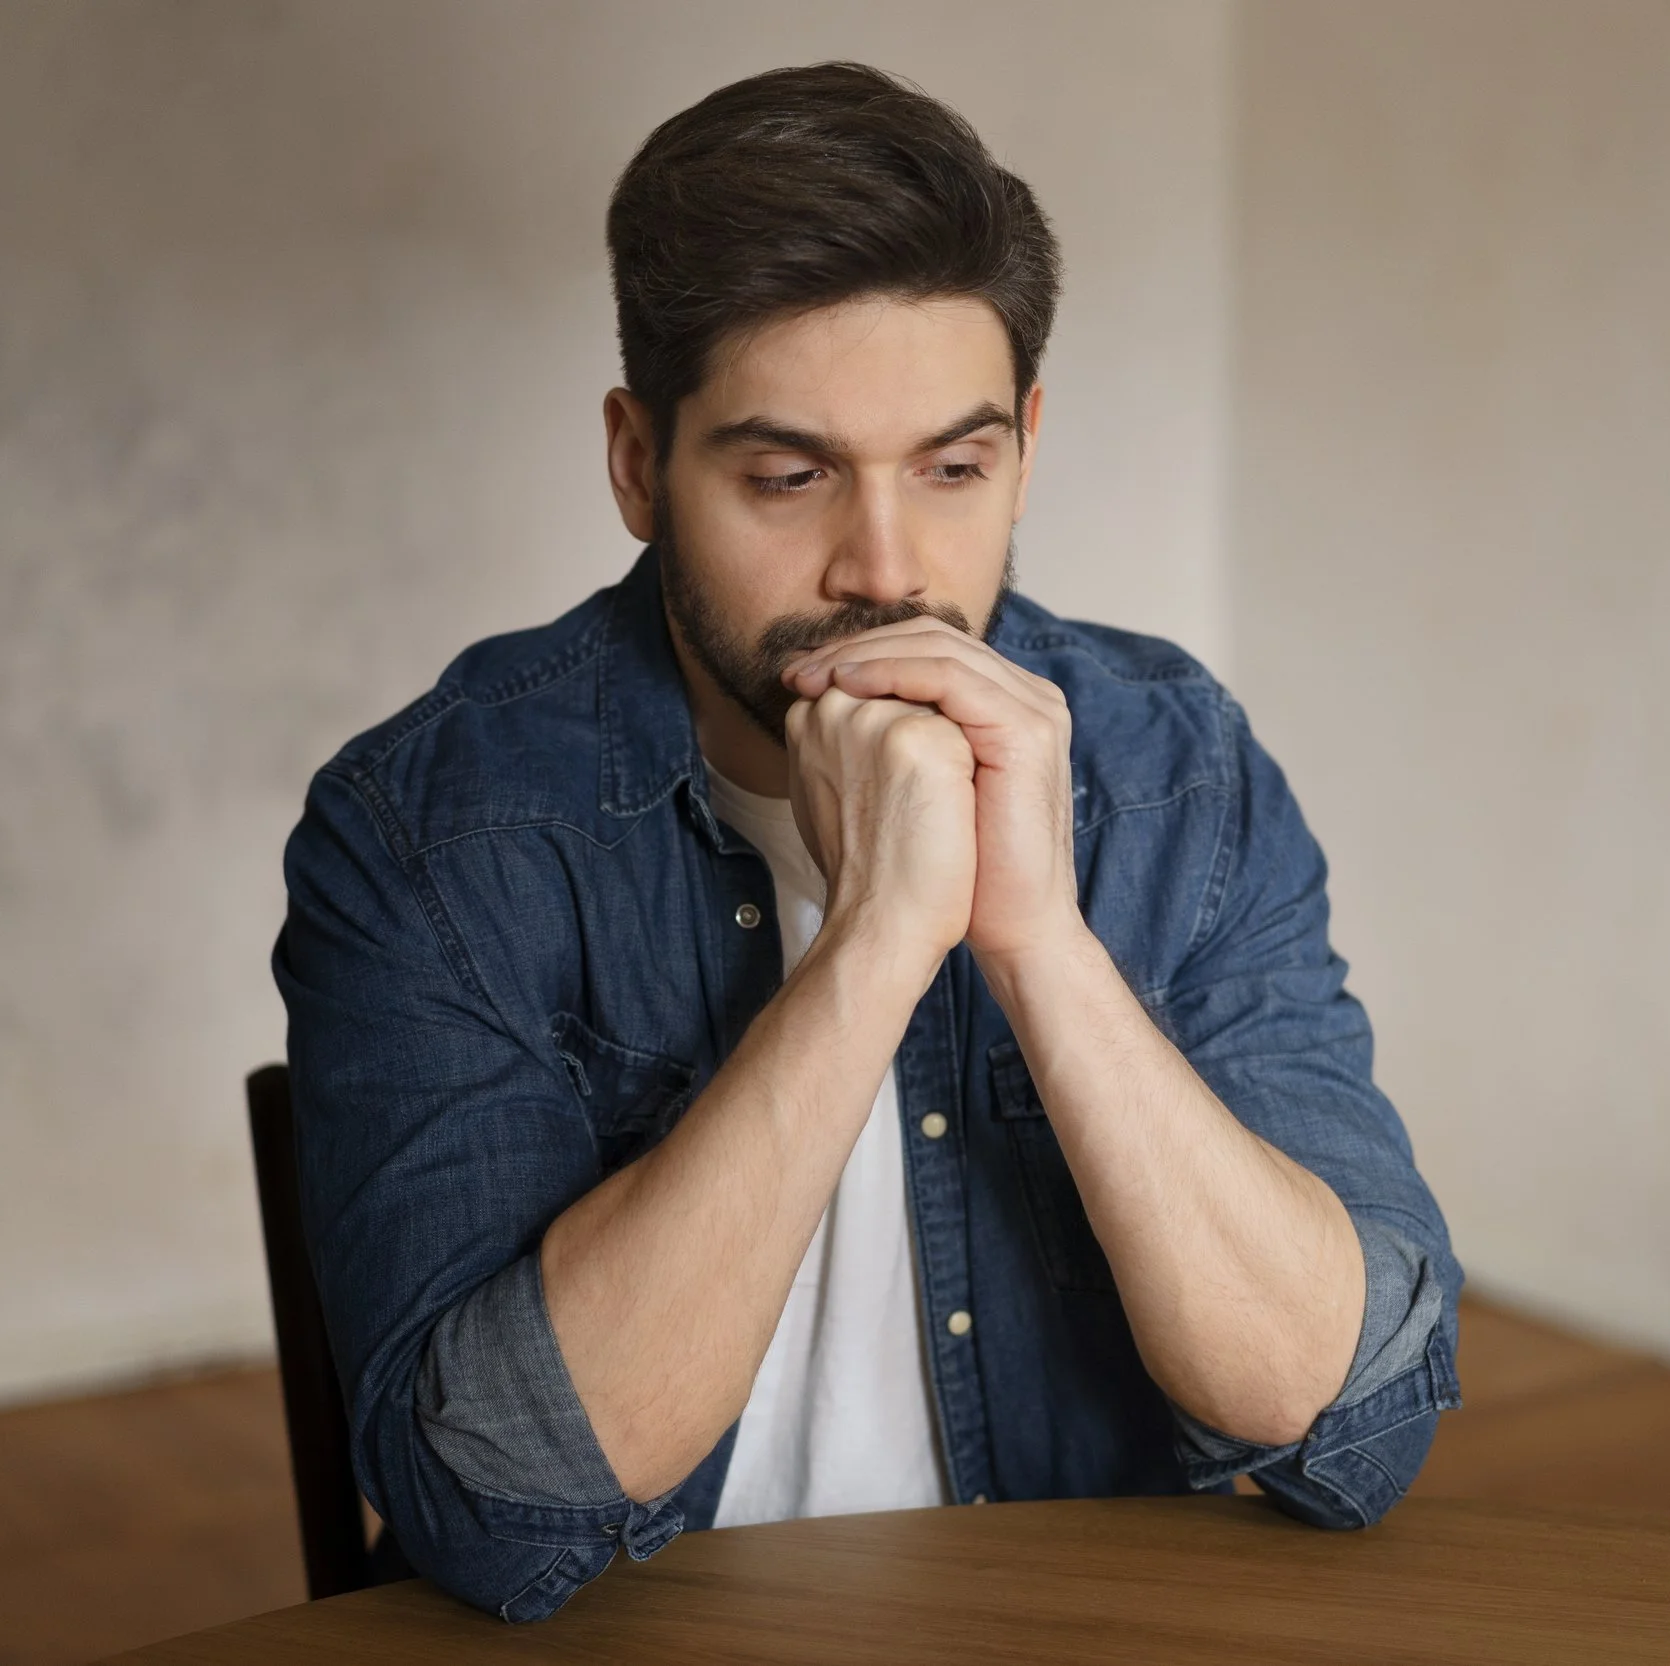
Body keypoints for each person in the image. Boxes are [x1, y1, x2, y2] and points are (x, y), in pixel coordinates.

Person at [273, 61, 1460, 1624]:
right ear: (637, 465)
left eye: (955, 469)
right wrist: (873, 949)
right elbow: (493, 1507)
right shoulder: (433, 832)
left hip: (1060, 1629)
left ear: (1028, 445)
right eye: (789, 476)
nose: (886, 568)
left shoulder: (1176, 771)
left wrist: (1037, 943)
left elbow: (1355, 1421)